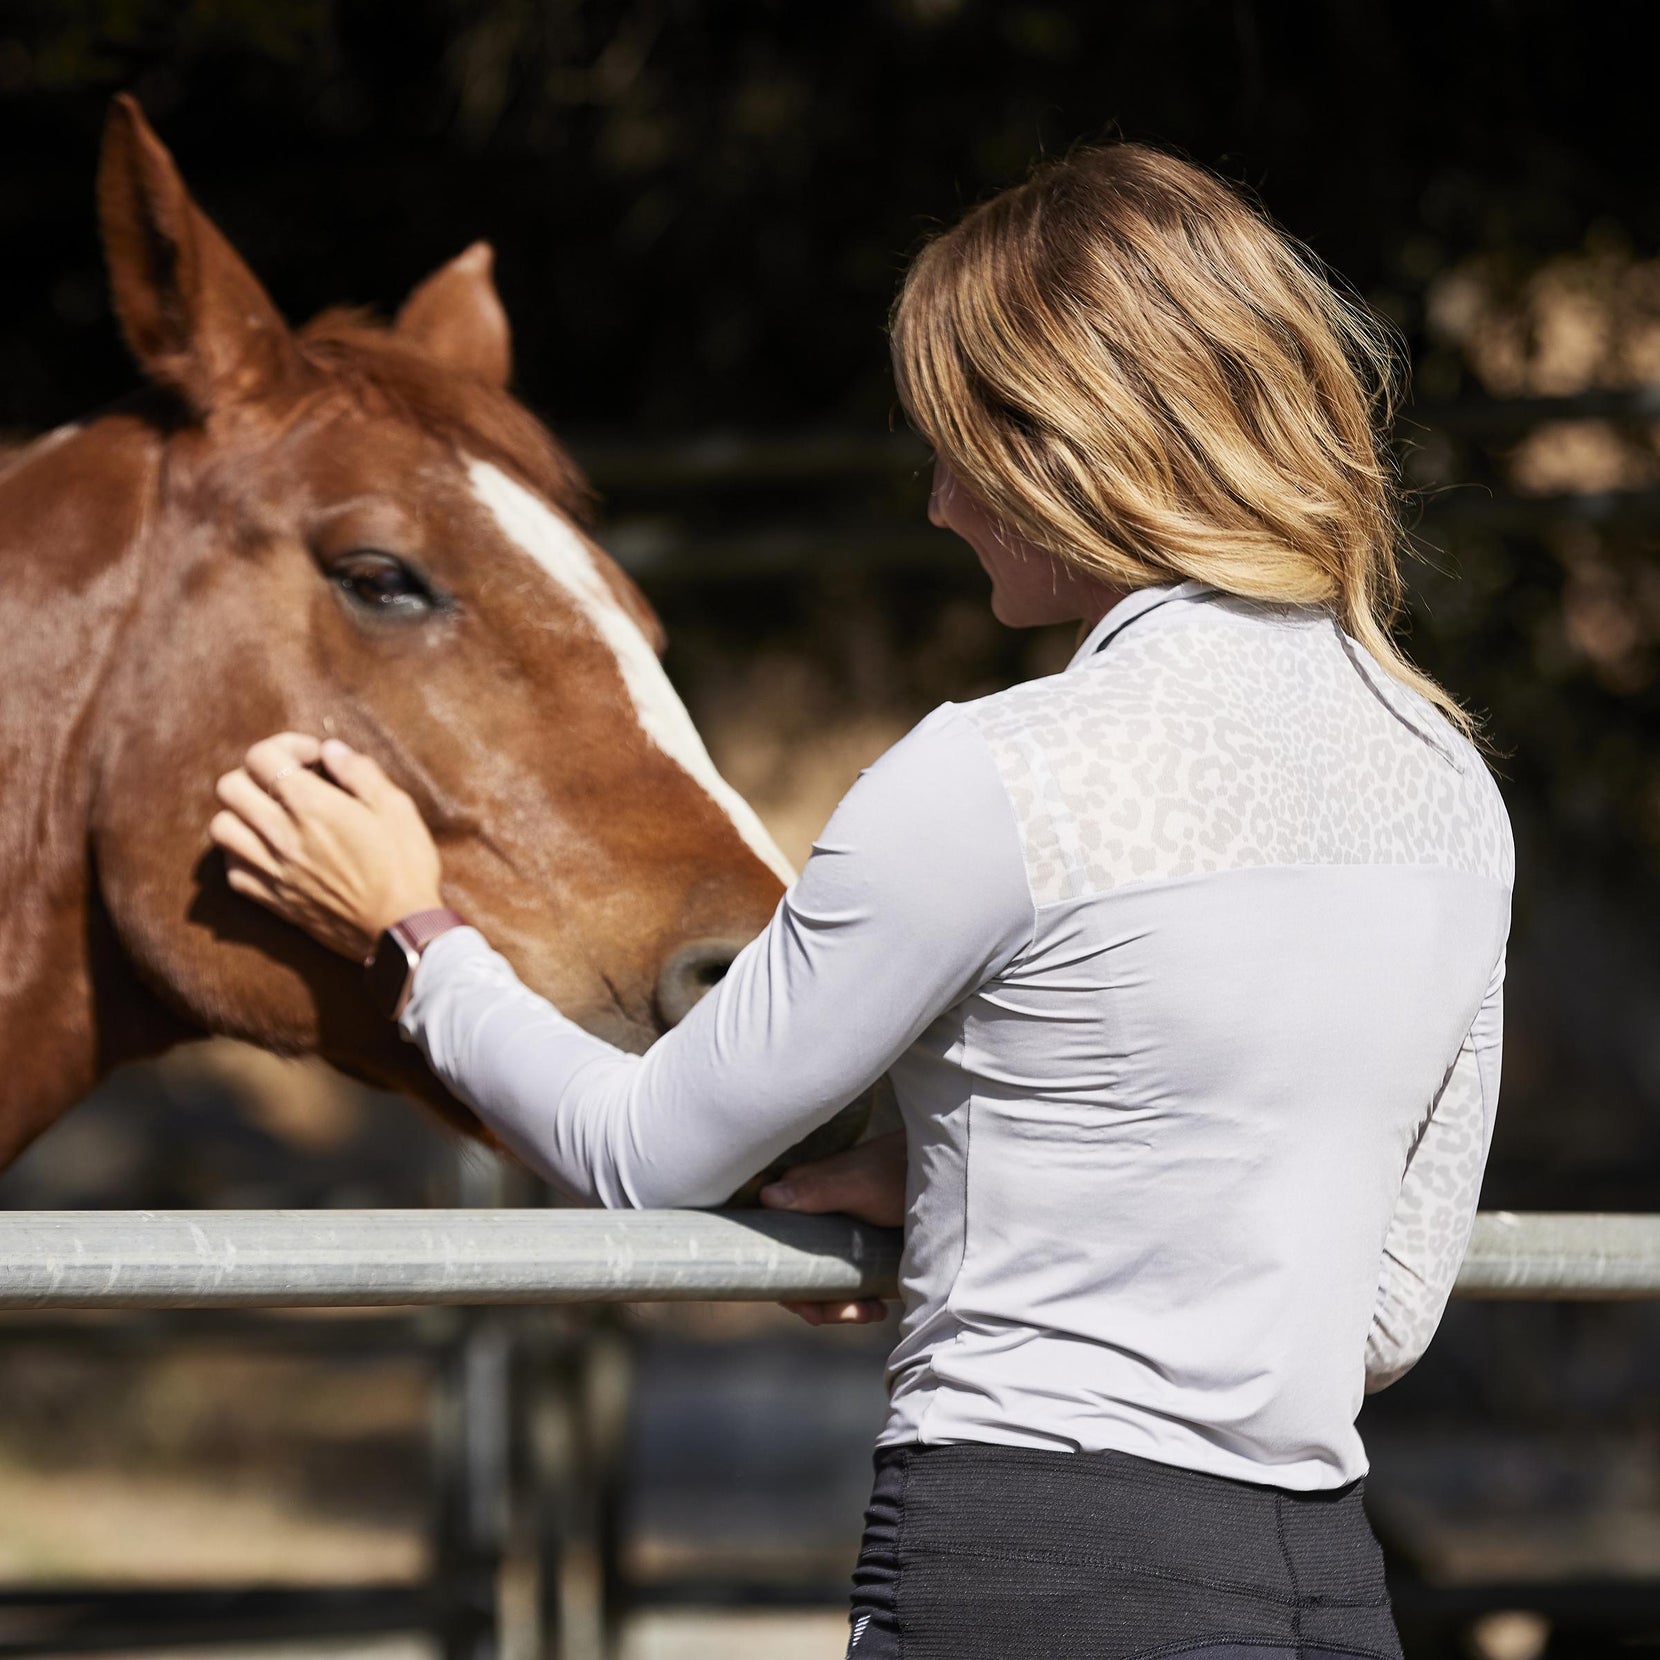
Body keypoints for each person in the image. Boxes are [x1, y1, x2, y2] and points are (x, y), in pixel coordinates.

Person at [209, 142, 1512, 1660]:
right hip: (1326, 1596)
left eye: (959, 443)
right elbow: (1388, 1307)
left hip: (1025, 1577)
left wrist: (418, 937)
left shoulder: (998, 776)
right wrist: (1000, 1181)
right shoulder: (1447, 782)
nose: (942, 502)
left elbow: (643, 1152)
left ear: (1066, 442)